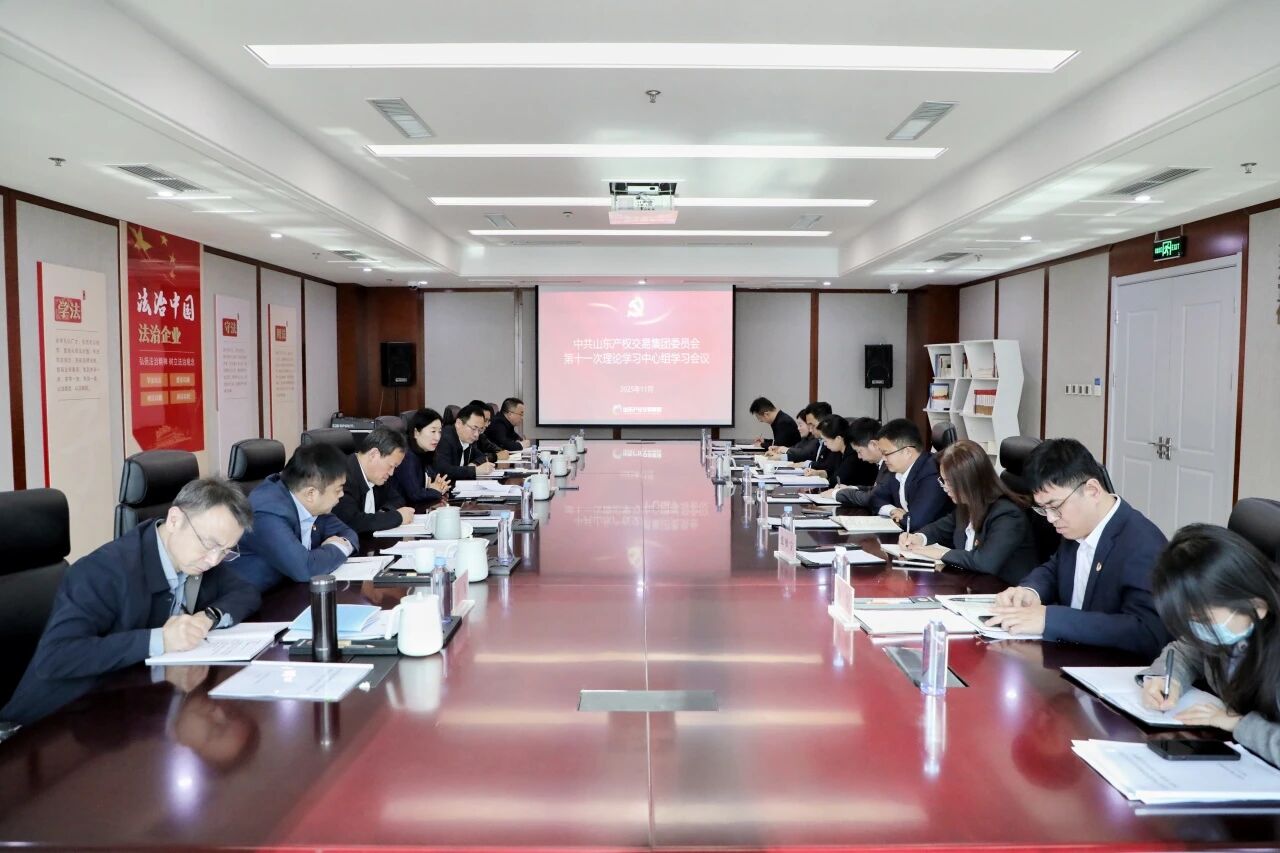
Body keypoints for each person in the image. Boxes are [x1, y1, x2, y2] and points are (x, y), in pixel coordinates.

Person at [1, 478, 260, 726]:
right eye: (209, 544)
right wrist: (160, 640)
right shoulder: (105, 572)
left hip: (126, 705)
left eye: (225, 551)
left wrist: (208, 616)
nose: (213, 560)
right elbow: (56, 657)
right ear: (174, 520)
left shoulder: (195, 560)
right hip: (49, 726)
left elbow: (246, 592)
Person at [989, 438, 1169, 659]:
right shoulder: (1078, 526)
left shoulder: (1143, 545)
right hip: (1068, 656)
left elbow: (1147, 632)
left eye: (1055, 507)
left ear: (1092, 490)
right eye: (1044, 509)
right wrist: (1029, 591)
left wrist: (1049, 619)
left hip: (1110, 667)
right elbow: (1055, 569)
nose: (1051, 519)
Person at [1139, 525, 1280, 767]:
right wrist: (1168, 679)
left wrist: (1238, 724)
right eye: (1189, 620)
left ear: (1257, 606)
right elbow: (1186, 651)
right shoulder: (1235, 629)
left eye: (1203, 620)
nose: (1195, 630)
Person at [897, 439, 1038, 584]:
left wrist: (942, 553)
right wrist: (918, 538)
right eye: (943, 481)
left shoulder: (1008, 515)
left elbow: (984, 562)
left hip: (1004, 590)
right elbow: (939, 529)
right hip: (972, 584)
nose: (945, 488)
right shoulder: (966, 505)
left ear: (970, 481)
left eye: (950, 483)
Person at [231, 444, 360, 592]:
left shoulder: (311, 505)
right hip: (257, 598)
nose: (342, 494)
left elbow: (349, 533)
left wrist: (337, 547)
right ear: (311, 494)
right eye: (338, 490)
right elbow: (305, 569)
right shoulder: (267, 513)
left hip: (290, 590)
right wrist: (339, 547)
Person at [868, 418, 952, 529]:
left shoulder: (932, 472)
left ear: (907, 452)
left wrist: (905, 517)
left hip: (934, 539)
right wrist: (892, 511)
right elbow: (874, 497)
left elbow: (915, 522)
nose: (883, 458)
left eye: (886, 453)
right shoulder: (896, 469)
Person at [332, 425, 415, 534]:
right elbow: (351, 522)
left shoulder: (377, 476)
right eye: (391, 466)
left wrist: (383, 513)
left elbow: (397, 499)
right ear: (373, 455)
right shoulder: (342, 478)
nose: (391, 473)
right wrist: (395, 517)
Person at [392, 407, 453, 504]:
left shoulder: (425, 452)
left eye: (440, 431)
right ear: (416, 433)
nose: (437, 437)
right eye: (433, 431)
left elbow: (433, 481)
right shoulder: (407, 456)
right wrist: (436, 491)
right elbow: (415, 495)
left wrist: (439, 486)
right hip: (404, 509)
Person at [829, 417, 893, 509]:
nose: (859, 456)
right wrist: (851, 488)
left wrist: (837, 493)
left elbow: (873, 497)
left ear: (874, 445)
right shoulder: (881, 464)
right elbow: (876, 489)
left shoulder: (891, 465)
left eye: (859, 451)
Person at [435, 403, 497, 481]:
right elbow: (443, 471)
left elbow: (482, 456)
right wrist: (474, 470)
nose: (476, 435)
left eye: (480, 430)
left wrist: (474, 464)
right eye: (474, 428)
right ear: (458, 423)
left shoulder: (467, 439)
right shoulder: (444, 439)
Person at [815, 415, 879, 488]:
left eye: (825, 440)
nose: (825, 444)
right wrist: (822, 473)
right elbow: (831, 470)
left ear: (838, 439)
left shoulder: (854, 455)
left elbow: (836, 481)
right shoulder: (838, 452)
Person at [467, 399, 510, 463]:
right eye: (485, 420)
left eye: (489, 421)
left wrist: (501, 453)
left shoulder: (481, 436)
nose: (487, 425)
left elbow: (481, 455)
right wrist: (496, 456)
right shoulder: (463, 437)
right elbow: (474, 460)